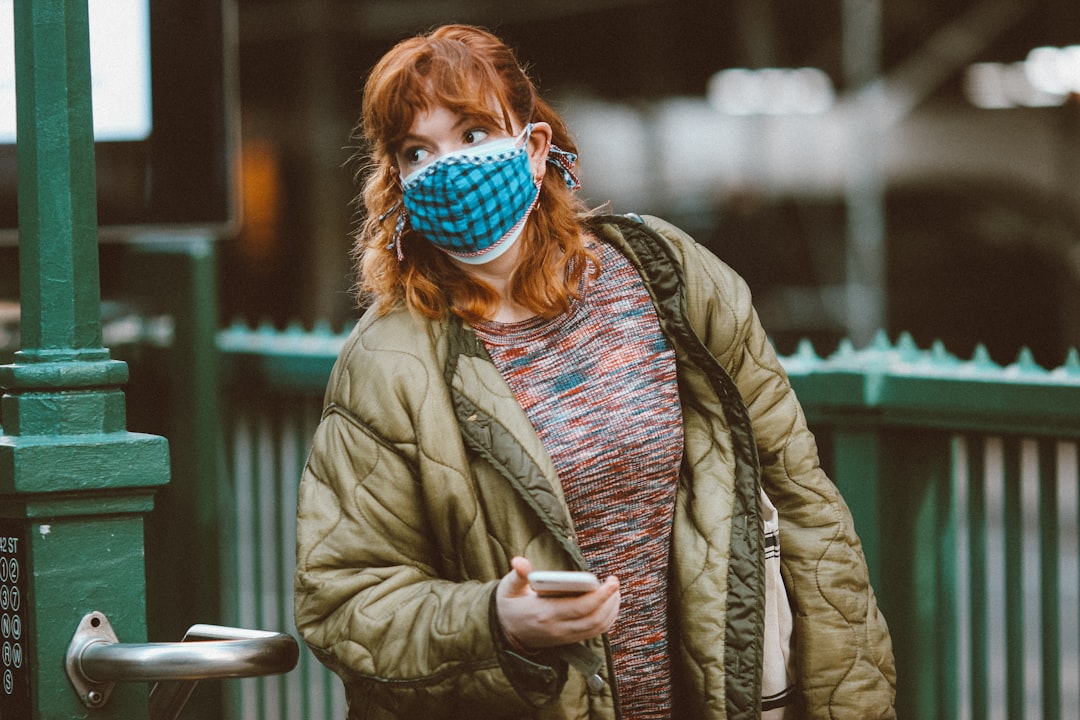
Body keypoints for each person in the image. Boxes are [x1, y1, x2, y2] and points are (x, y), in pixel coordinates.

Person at [294, 23, 896, 720]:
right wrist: (494, 619)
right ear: (398, 181)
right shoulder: (387, 363)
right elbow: (343, 601)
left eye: (473, 134)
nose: (448, 167)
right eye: (416, 151)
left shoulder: (666, 277)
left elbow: (802, 505)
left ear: (535, 147)